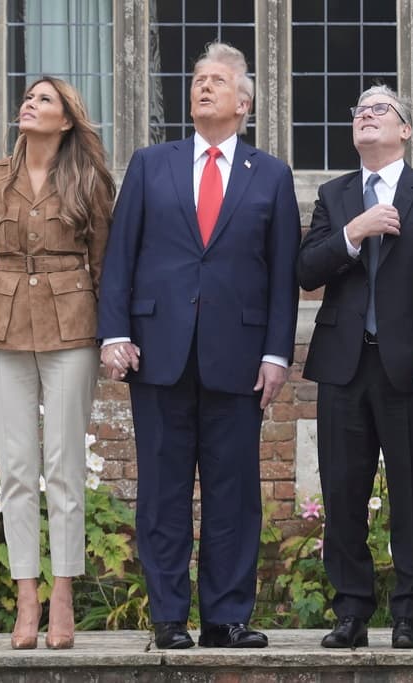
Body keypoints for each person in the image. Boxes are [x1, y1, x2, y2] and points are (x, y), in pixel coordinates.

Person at [96, 42, 300, 650]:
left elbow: (282, 271)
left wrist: (276, 354)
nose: (203, 88)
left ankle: (227, 616)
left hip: (237, 358)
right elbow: (119, 257)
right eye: (197, 80)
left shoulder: (270, 174)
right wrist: (114, 332)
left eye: (217, 81)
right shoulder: (150, 164)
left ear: (244, 102)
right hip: (157, 352)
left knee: (233, 491)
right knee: (162, 492)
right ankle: (168, 617)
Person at [298, 85, 413, 649]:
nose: (366, 117)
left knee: (412, 492)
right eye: (358, 112)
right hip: (344, 366)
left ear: (405, 130)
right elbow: (306, 270)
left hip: (411, 369)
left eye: (380, 110)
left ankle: (408, 614)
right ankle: (350, 611)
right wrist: (355, 231)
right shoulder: (335, 194)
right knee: (344, 492)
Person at [0, 77, 115, 650]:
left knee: (65, 468)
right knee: (17, 469)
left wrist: (111, 337)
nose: (29, 104)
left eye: (44, 99)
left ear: (68, 120)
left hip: (73, 326)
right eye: (27, 97)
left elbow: (104, 266)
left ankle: (63, 595)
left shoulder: (90, 182)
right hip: (1, 327)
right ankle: (27, 596)